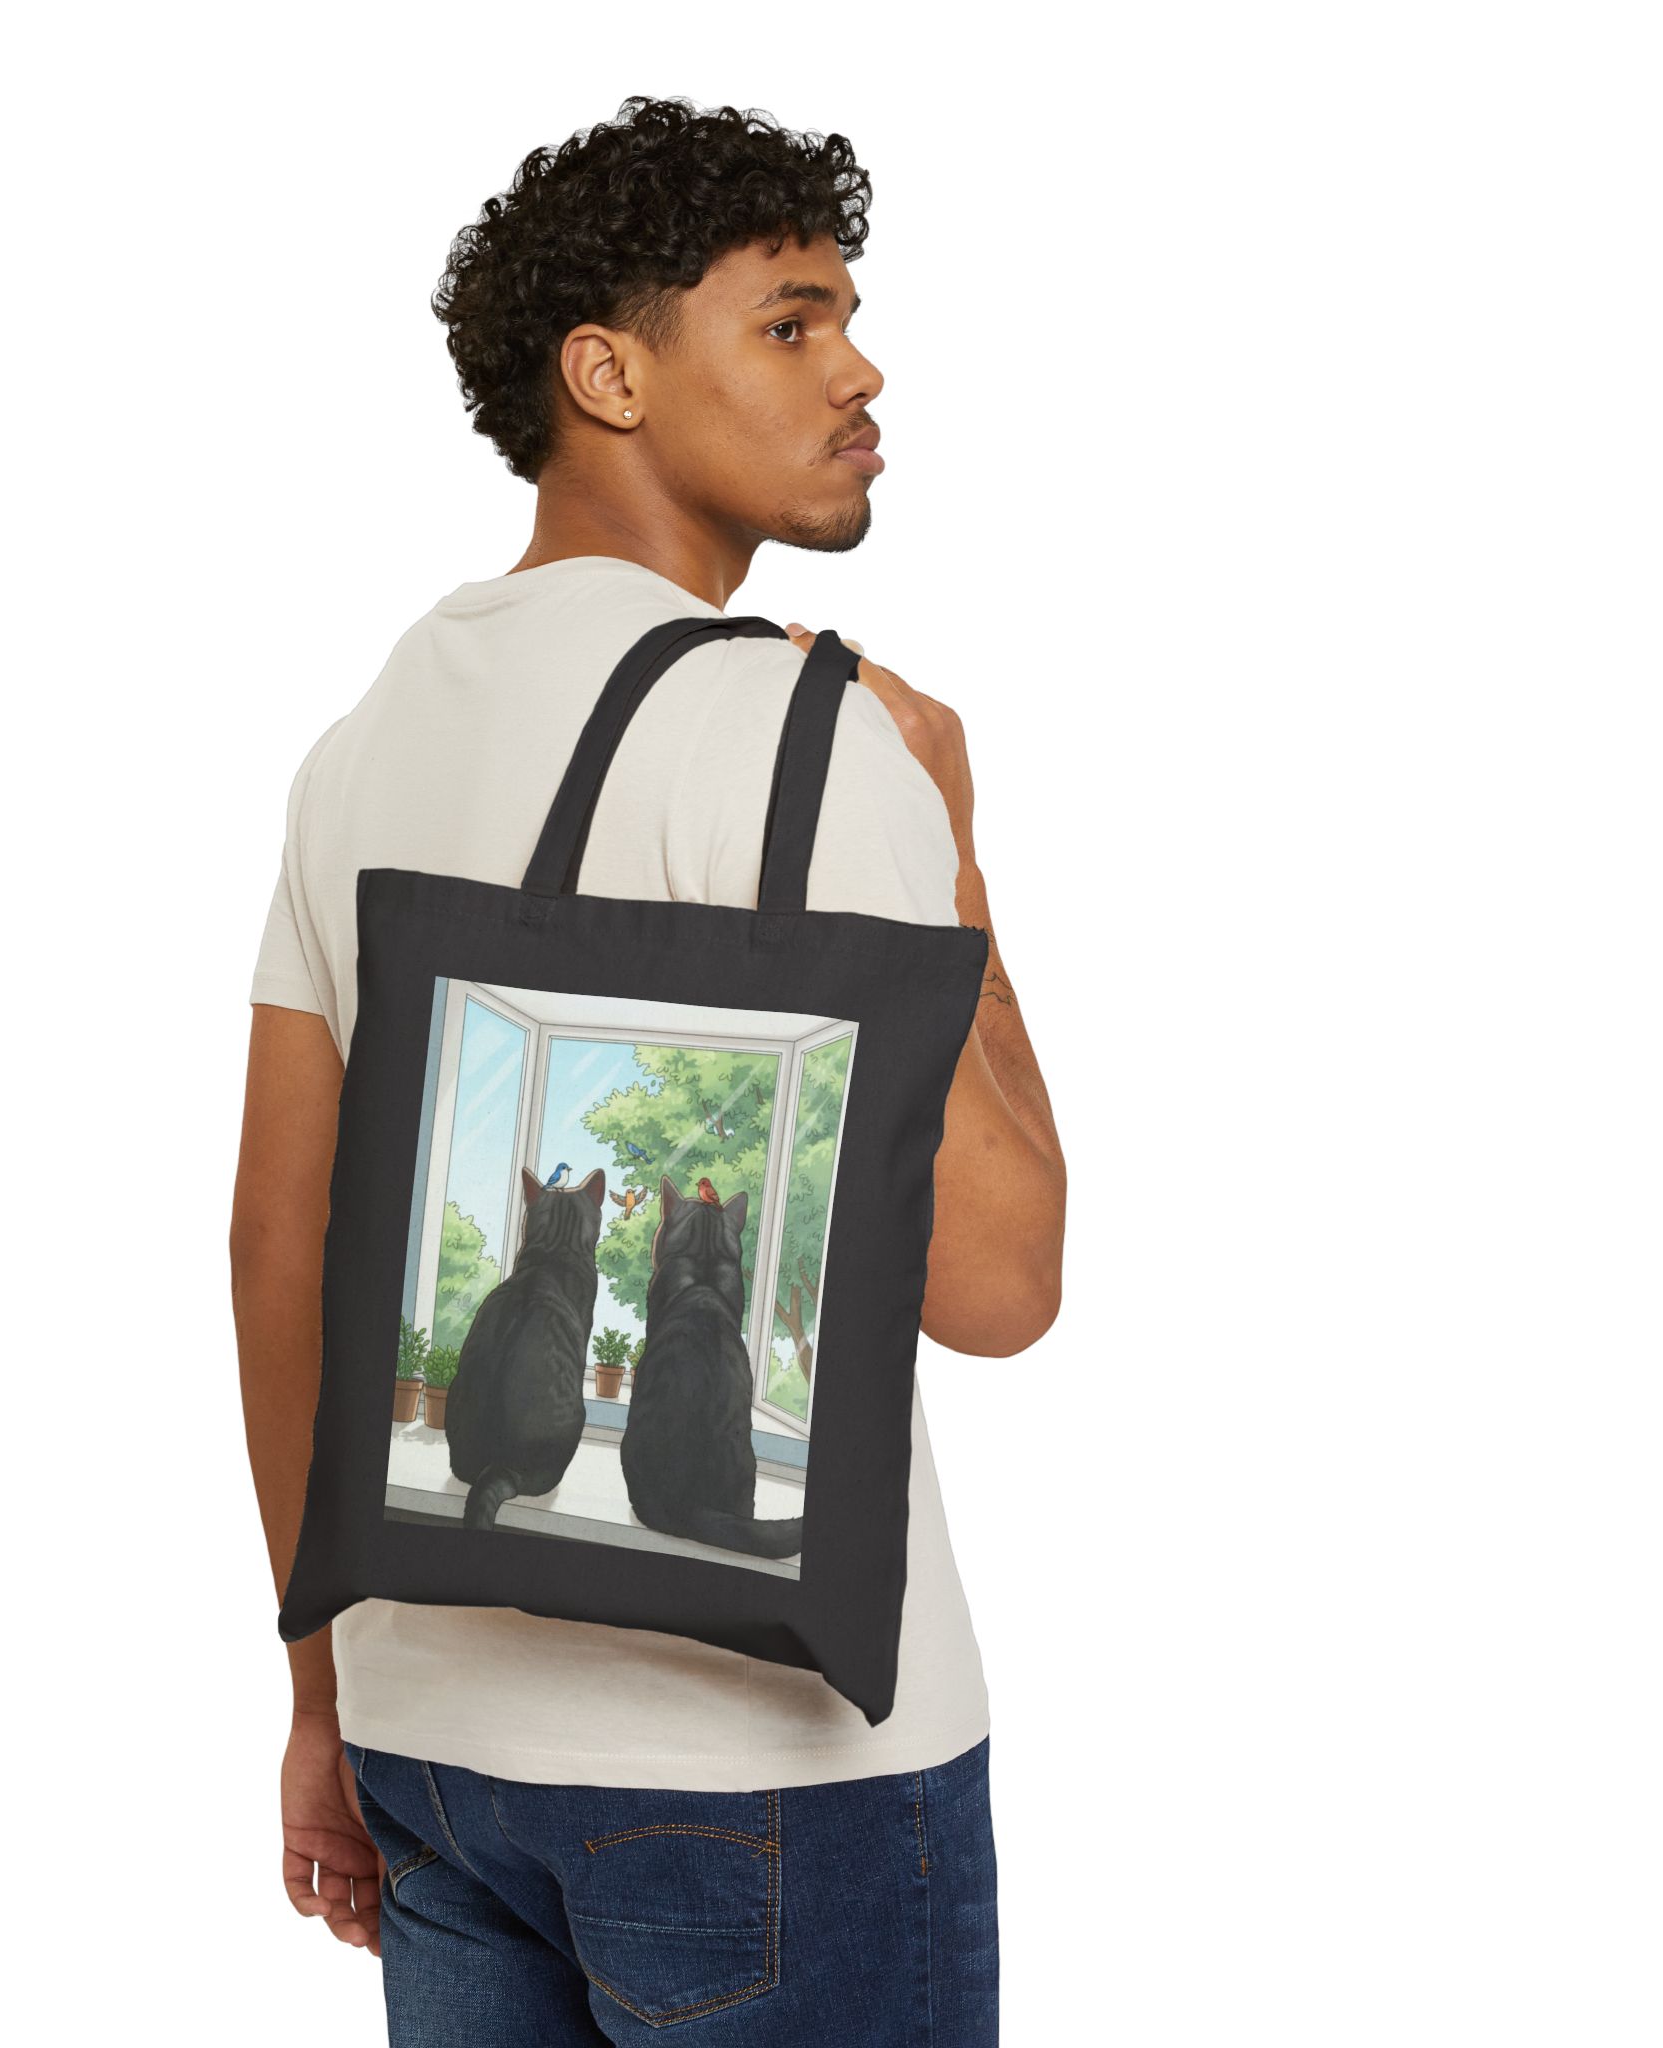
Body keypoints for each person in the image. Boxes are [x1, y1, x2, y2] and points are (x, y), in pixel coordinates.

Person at [229, 94, 1067, 2043]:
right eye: (789, 321)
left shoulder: (359, 745)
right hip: (770, 1775)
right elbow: (1001, 1284)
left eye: (847, 316)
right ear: (605, 374)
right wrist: (952, 850)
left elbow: (280, 1242)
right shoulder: (804, 734)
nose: (859, 371)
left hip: (430, 1748)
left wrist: (320, 1693)